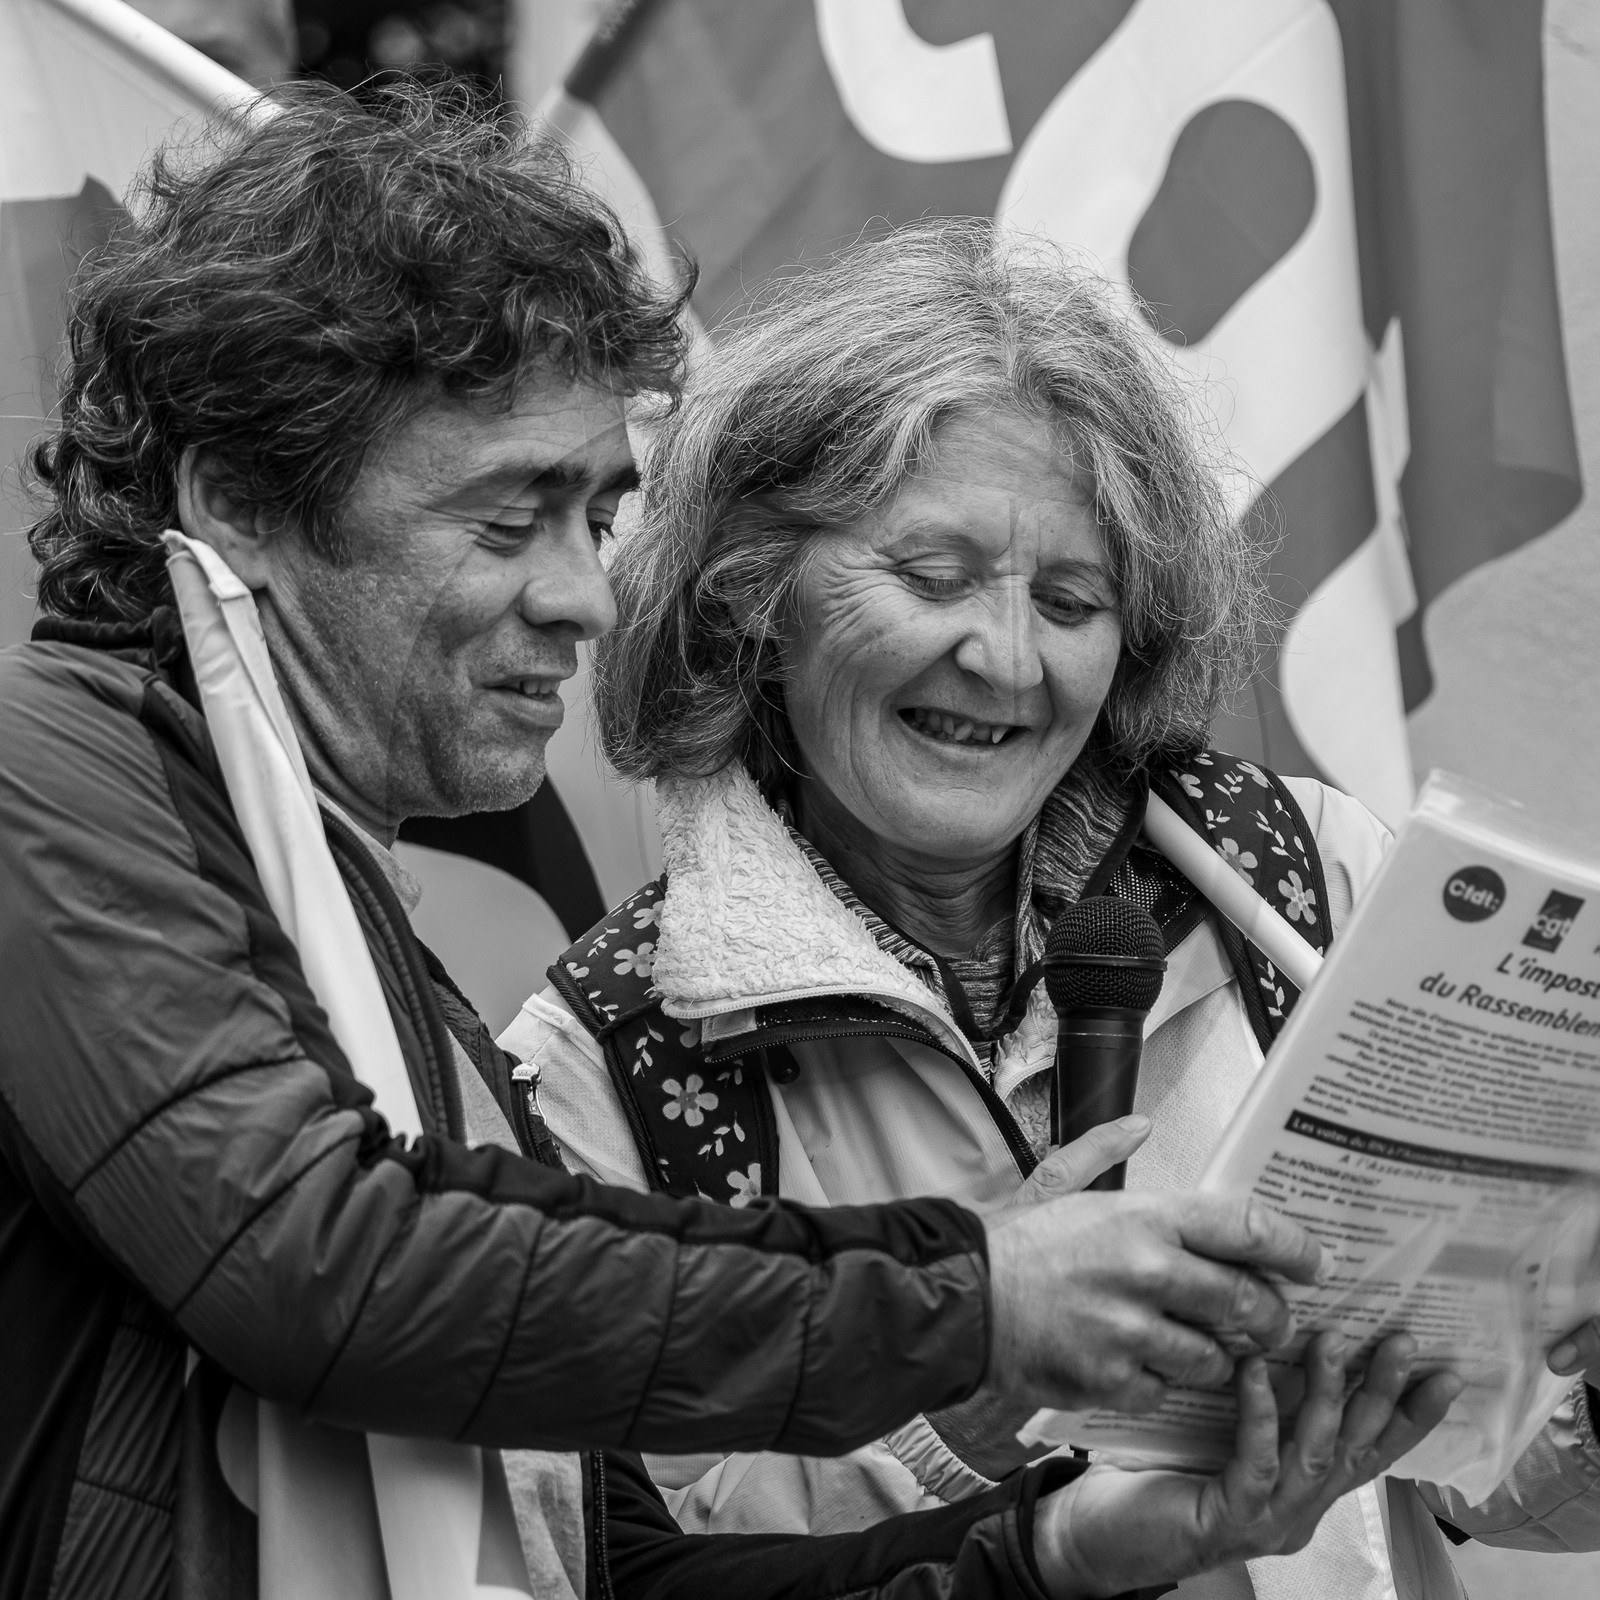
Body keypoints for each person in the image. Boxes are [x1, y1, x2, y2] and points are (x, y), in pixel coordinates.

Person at [0, 80, 1456, 1600]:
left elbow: (622, 1579)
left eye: (596, 520)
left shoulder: (368, 944)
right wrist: (972, 1300)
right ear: (239, 501)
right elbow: (331, 1267)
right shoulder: (45, 760)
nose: (585, 596)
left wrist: (1052, 1548)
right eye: (508, 522)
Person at [506, 221, 1600, 1599]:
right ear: (754, 596)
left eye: (1072, 601)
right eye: (933, 578)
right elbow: (631, 1569)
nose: (1009, 660)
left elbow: (1477, 1477)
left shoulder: (1298, 875)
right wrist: (966, 1389)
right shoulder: (609, 1064)